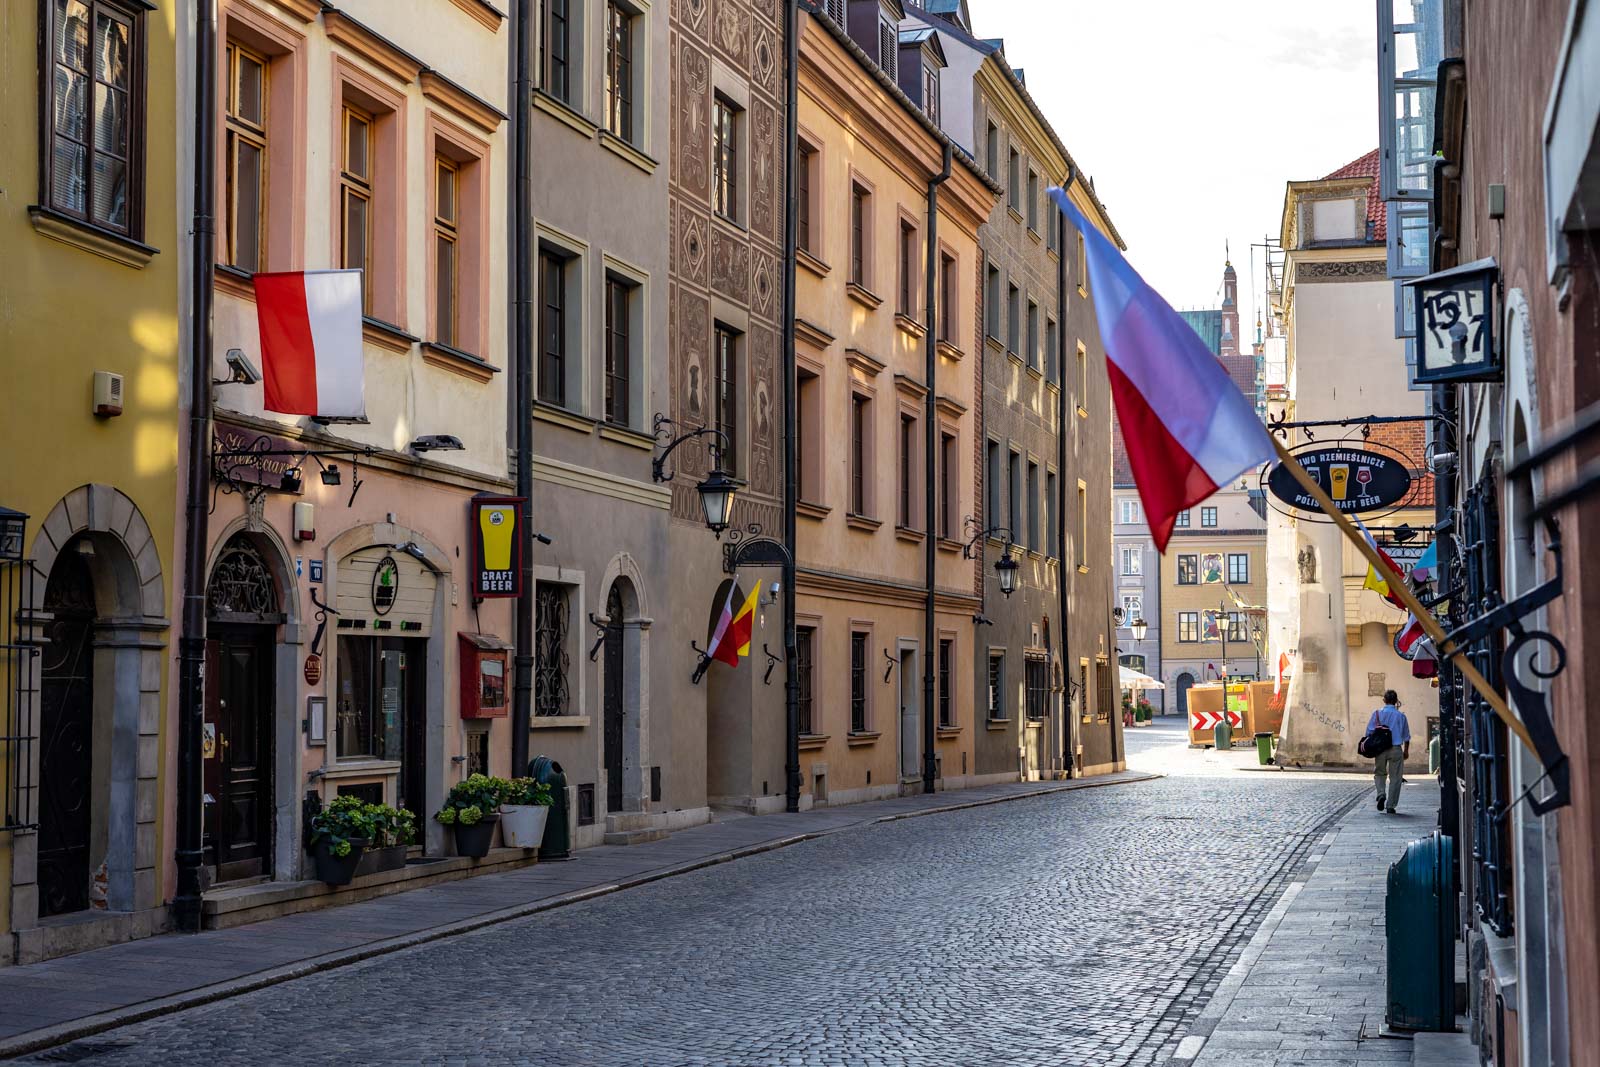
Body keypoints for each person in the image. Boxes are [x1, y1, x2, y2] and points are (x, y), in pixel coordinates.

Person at [1365, 690, 1411, 814]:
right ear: (1396, 701)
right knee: (1396, 777)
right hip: (1396, 749)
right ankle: (1391, 805)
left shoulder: (1377, 714)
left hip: (1380, 749)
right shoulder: (1401, 716)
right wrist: (1406, 751)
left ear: (1384, 700)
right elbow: (1406, 737)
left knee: (1379, 773)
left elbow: (1368, 732)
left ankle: (1381, 793)